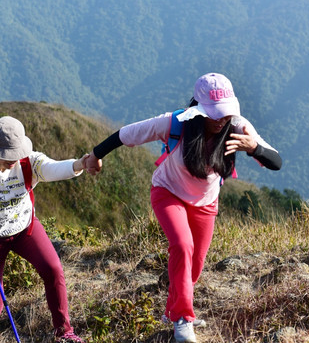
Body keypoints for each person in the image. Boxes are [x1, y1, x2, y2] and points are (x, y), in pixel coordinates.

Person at [84, 73, 282, 343]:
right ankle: (182, 319)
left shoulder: (238, 126)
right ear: (199, 109)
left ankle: (171, 311)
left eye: (225, 113)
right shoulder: (176, 122)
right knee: (182, 245)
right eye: (215, 114)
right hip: (168, 193)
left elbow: (277, 162)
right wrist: (95, 156)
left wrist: (255, 147)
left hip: (205, 203)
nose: (221, 119)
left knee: (195, 266)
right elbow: (127, 134)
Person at [0, 116, 87, 343]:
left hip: (24, 230)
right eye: (7, 155)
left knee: (53, 269)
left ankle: (64, 332)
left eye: (16, 152)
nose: (13, 160)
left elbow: (53, 168)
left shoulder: (29, 162)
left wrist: (78, 164)